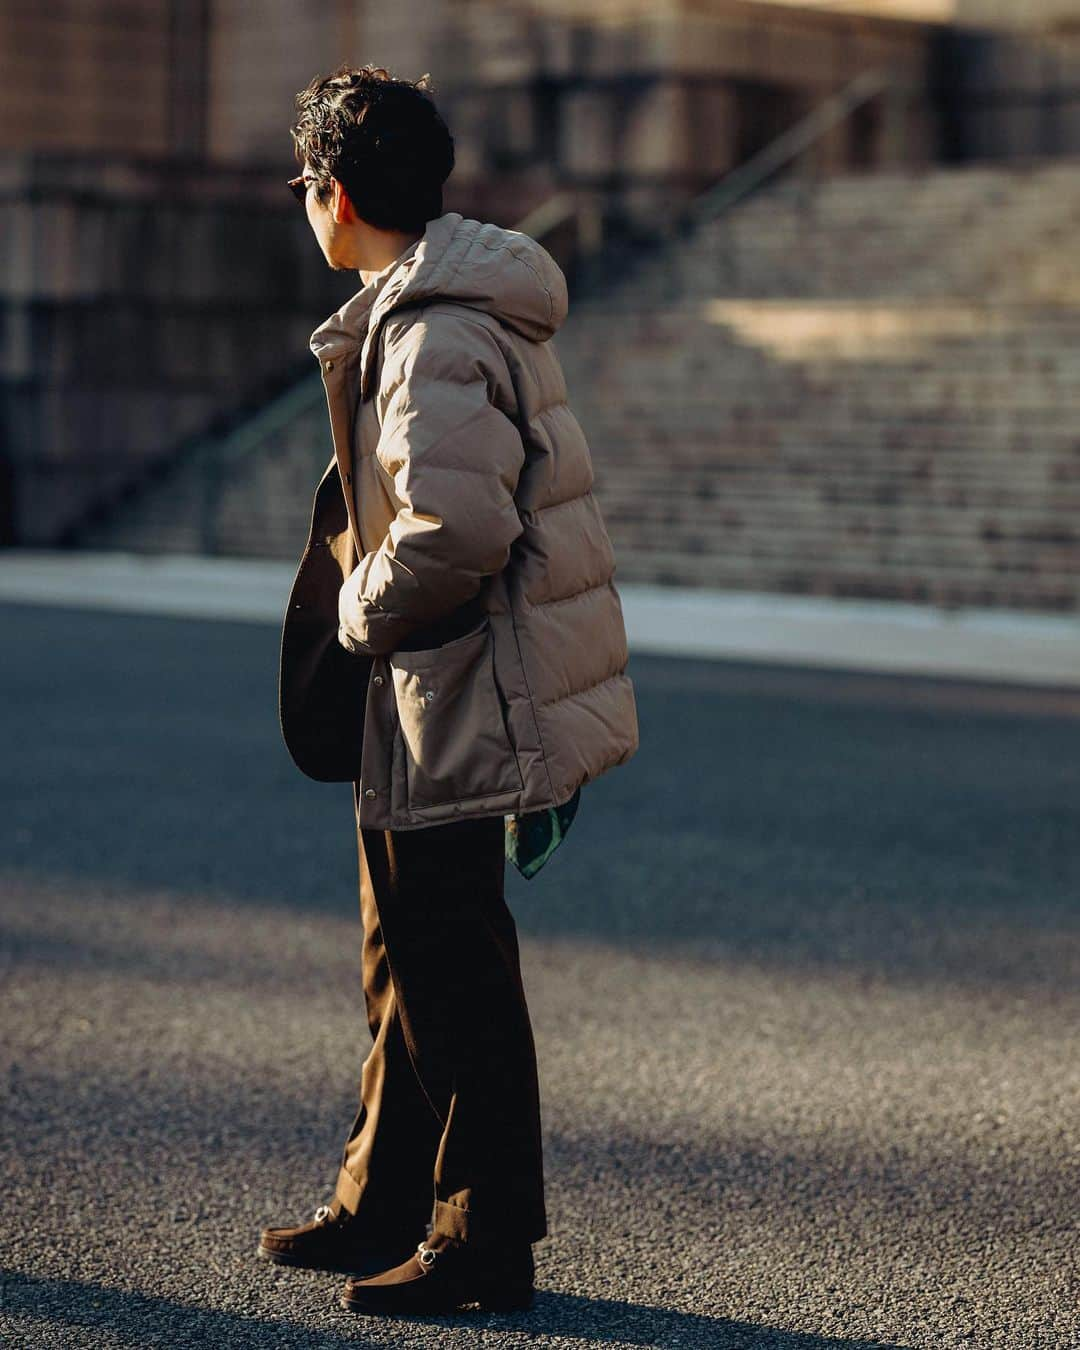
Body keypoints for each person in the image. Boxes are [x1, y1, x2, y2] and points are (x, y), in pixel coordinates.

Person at [262, 63, 639, 1318]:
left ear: (340, 191)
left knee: (452, 967)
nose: (303, 202)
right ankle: (381, 1196)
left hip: (456, 690)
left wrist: (359, 612)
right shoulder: (420, 305)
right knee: (403, 956)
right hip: (430, 693)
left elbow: (453, 530)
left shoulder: (432, 331)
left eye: (307, 181)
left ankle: (486, 1240)